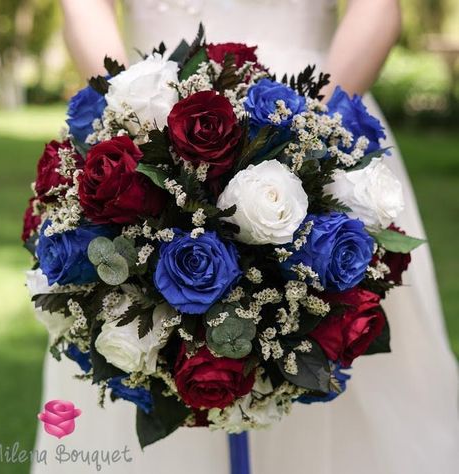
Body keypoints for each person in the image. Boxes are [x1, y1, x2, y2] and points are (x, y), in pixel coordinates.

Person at [31, 1, 459, 473]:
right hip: (147, 115)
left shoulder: (316, 129)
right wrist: (128, 123)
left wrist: (310, 139)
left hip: (319, 108)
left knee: (333, 346)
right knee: (139, 339)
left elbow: (377, 9)